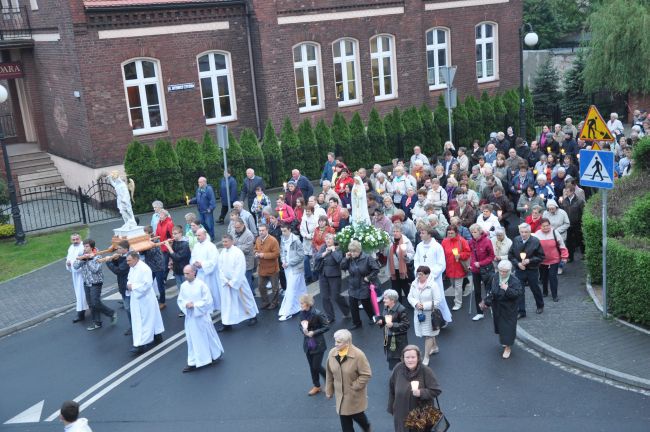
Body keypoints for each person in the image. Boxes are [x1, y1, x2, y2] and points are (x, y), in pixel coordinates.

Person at [177, 265, 224, 373]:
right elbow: (180, 300)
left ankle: (214, 354)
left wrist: (195, 305)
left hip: (201, 317)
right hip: (190, 317)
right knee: (192, 340)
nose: (185, 276)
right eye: (184, 273)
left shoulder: (201, 285)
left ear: (194, 273)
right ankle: (192, 362)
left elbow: (208, 301)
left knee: (206, 337)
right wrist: (185, 305)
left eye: (187, 273)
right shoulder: (184, 286)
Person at [325, 329, 373, 432]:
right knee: (346, 424)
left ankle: (366, 427)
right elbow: (329, 373)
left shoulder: (358, 355)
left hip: (353, 396)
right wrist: (329, 390)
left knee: (357, 415)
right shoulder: (332, 353)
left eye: (339, 342)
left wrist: (355, 386)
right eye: (335, 341)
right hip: (340, 396)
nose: (335, 344)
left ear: (347, 343)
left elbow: (366, 374)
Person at [388, 345, 442, 432]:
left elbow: (436, 390)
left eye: (413, 357)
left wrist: (421, 393)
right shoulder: (398, 369)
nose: (410, 360)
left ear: (418, 357)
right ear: (403, 358)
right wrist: (391, 407)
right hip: (401, 413)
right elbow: (391, 388)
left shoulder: (425, 371)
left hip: (420, 414)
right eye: (407, 357)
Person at [479, 260, 523, 359]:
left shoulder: (514, 280)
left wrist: (507, 289)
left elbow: (517, 294)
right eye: (501, 271)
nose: (502, 273)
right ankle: (505, 341)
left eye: (505, 271)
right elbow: (491, 291)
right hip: (497, 307)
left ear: (509, 271)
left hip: (509, 309)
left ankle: (508, 347)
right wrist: (486, 302)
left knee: (508, 328)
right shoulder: (495, 277)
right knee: (500, 326)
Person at [216, 234, 259, 329]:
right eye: (223, 242)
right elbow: (220, 268)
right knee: (227, 303)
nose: (224, 243)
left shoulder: (237, 252)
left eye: (226, 241)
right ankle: (227, 323)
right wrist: (224, 280)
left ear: (232, 241)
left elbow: (240, 268)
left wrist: (233, 282)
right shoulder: (223, 252)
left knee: (245, 299)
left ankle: (252, 316)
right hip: (226, 283)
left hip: (238, 282)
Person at [73, 239, 117, 331]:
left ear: (92, 247)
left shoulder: (97, 256)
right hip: (87, 282)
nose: (85, 248)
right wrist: (83, 259)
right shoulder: (82, 255)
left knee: (95, 302)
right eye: (84, 246)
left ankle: (111, 313)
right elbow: (75, 266)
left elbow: (95, 270)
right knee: (91, 304)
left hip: (96, 282)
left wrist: (88, 260)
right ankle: (97, 322)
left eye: (87, 246)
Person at [126, 251, 165, 354]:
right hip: (136, 298)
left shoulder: (144, 269)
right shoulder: (133, 267)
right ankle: (157, 335)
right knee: (148, 319)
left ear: (135, 259)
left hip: (145, 298)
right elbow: (129, 279)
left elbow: (147, 284)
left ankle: (141, 344)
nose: (127, 263)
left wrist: (133, 287)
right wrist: (129, 285)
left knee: (144, 321)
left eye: (129, 260)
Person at [413, 226, 451, 324]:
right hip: (421, 277)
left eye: (423, 233)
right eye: (420, 233)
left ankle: (442, 320)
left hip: (433, 278)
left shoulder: (437, 246)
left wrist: (429, 275)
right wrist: (419, 272)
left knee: (437, 298)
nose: (420, 235)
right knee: (423, 298)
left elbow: (441, 264)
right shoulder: (419, 246)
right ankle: (427, 320)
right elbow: (416, 260)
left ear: (429, 235)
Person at [341, 240, 380, 330]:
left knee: (366, 303)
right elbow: (342, 267)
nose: (352, 253)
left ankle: (372, 317)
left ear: (359, 250)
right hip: (353, 284)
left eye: (354, 251)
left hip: (363, 284)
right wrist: (346, 258)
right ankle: (356, 322)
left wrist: (369, 277)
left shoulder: (367, 258)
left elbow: (376, 269)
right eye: (351, 251)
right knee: (352, 304)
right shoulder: (349, 258)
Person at [509, 223, 546, 318]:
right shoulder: (516, 240)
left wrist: (530, 260)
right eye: (522, 232)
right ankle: (521, 311)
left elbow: (541, 256)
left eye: (526, 232)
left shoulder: (535, 241)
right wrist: (518, 264)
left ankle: (540, 305)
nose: (524, 234)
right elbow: (511, 255)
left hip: (532, 270)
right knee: (519, 290)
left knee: (535, 289)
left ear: (530, 232)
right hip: (519, 270)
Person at [407, 266, 441, 365]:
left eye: (421, 274)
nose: (418, 276)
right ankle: (434, 347)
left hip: (429, 314)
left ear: (427, 275)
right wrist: (416, 304)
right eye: (417, 273)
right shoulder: (414, 283)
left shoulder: (433, 285)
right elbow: (410, 296)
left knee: (428, 334)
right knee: (428, 333)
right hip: (418, 313)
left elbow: (438, 301)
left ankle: (426, 357)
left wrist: (424, 306)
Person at [314, 233, 351, 323]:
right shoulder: (323, 247)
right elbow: (317, 257)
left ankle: (347, 311)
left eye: (329, 239)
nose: (328, 241)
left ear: (333, 240)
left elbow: (339, 260)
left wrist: (333, 251)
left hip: (334, 275)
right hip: (323, 275)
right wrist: (325, 253)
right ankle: (330, 317)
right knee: (324, 297)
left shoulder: (338, 248)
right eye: (326, 239)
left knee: (336, 296)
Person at [298, 294, 330, 396]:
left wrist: (314, 332)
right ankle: (316, 386)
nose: (301, 305)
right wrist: (303, 330)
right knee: (312, 366)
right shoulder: (302, 314)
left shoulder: (317, 314)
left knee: (316, 366)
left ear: (308, 304)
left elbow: (326, 326)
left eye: (302, 303)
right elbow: (300, 325)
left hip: (318, 343)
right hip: (308, 343)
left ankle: (329, 379)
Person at [534, 218, 569, 301]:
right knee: (544, 278)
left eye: (547, 225)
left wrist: (564, 257)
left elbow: (562, 245)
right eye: (544, 226)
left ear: (550, 225)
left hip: (554, 259)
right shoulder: (537, 234)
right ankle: (545, 291)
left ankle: (554, 295)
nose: (546, 227)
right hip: (542, 261)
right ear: (540, 226)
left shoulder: (554, 232)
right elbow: (533, 248)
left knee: (553, 277)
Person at [279, 223, 308, 321]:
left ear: (289, 230)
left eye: (285, 231)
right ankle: (304, 305)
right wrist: (283, 261)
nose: (283, 233)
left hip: (296, 269)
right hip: (288, 268)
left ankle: (288, 312)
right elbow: (282, 251)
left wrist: (289, 263)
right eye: (282, 231)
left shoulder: (296, 240)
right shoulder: (283, 239)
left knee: (291, 289)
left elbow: (301, 256)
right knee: (300, 287)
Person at [376, 289, 410, 370]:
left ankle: (400, 377)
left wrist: (393, 325)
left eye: (385, 298)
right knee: (391, 359)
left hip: (398, 340)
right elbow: (385, 319)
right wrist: (382, 321)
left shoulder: (401, 309)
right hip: (388, 337)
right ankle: (396, 376)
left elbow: (406, 325)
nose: (383, 300)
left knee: (398, 360)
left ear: (392, 300)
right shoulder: (386, 307)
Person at [190, 228, 221, 315]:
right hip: (200, 274)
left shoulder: (211, 246)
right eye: (196, 235)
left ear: (204, 235)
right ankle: (206, 310)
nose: (197, 237)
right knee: (202, 293)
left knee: (212, 292)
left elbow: (214, 261)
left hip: (209, 275)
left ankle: (213, 309)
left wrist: (202, 264)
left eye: (199, 235)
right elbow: (193, 257)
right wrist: (194, 263)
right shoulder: (196, 246)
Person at [468, 224, 495, 321]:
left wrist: (481, 263)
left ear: (480, 231)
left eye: (475, 232)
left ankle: (491, 307)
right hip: (475, 270)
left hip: (487, 269)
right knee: (477, 292)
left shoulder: (487, 241)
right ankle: (480, 312)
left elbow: (491, 256)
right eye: (472, 232)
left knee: (489, 290)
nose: (473, 234)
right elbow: (472, 255)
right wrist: (471, 265)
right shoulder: (471, 242)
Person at [441, 225, 471, 311]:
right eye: (448, 233)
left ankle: (458, 302)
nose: (450, 235)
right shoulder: (445, 241)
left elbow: (468, 253)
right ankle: (458, 297)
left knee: (458, 286)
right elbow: (442, 253)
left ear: (456, 233)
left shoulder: (462, 241)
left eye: (452, 233)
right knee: (454, 285)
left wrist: (460, 255)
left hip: (459, 267)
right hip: (449, 267)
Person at [105, 240, 132, 332]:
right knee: (128, 309)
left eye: (120, 249)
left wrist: (109, 262)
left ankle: (135, 326)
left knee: (129, 309)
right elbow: (119, 264)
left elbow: (119, 270)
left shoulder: (129, 258)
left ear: (126, 249)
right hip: (123, 286)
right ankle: (133, 326)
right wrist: (114, 259)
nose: (118, 250)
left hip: (128, 287)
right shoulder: (122, 256)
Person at [254, 223, 281, 309]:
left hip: (272, 268)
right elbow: (255, 248)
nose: (261, 232)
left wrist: (263, 255)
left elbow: (276, 254)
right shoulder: (258, 239)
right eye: (259, 230)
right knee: (261, 286)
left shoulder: (273, 240)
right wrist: (255, 253)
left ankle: (275, 302)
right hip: (262, 268)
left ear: (267, 230)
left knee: (275, 288)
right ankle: (265, 302)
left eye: (263, 230)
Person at [166, 226, 191, 317]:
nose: (174, 235)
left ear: (181, 233)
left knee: (187, 290)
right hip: (177, 270)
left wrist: (169, 247)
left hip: (184, 271)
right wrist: (170, 262)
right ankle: (184, 308)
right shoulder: (175, 242)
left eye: (175, 233)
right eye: (173, 234)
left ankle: (190, 307)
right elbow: (172, 256)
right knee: (181, 291)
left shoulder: (185, 244)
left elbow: (178, 257)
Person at [142, 226, 167, 309]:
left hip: (158, 265)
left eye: (146, 234)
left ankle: (162, 302)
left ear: (150, 233)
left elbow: (152, 252)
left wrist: (146, 245)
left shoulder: (155, 240)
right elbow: (142, 253)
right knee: (148, 284)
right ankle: (149, 300)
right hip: (149, 266)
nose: (144, 236)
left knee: (160, 285)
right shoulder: (145, 241)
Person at [389, 225, 415, 304]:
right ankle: (398, 305)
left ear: (401, 232)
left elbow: (412, 253)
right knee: (395, 289)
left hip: (404, 269)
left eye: (397, 231)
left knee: (406, 287)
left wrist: (407, 256)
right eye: (394, 231)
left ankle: (412, 303)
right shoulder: (390, 241)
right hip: (394, 269)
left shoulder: (406, 241)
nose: (395, 233)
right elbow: (387, 254)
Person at [66, 233, 88, 323]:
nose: (75, 241)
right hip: (75, 274)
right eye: (73, 239)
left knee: (81, 294)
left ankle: (81, 314)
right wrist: (68, 264)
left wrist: (74, 266)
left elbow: (82, 261)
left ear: (80, 239)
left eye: (77, 239)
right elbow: (68, 258)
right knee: (80, 294)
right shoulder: (71, 247)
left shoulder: (83, 248)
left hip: (82, 274)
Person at [232, 218, 256, 290]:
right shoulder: (233, 231)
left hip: (247, 262)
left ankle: (250, 296)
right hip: (237, 261)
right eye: (235, 227)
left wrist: (234, 247)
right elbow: (231, 241)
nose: (236, 229)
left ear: (243, 225)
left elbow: (246, 249)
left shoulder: (249, 235)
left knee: (247, 281)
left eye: (238, 227)